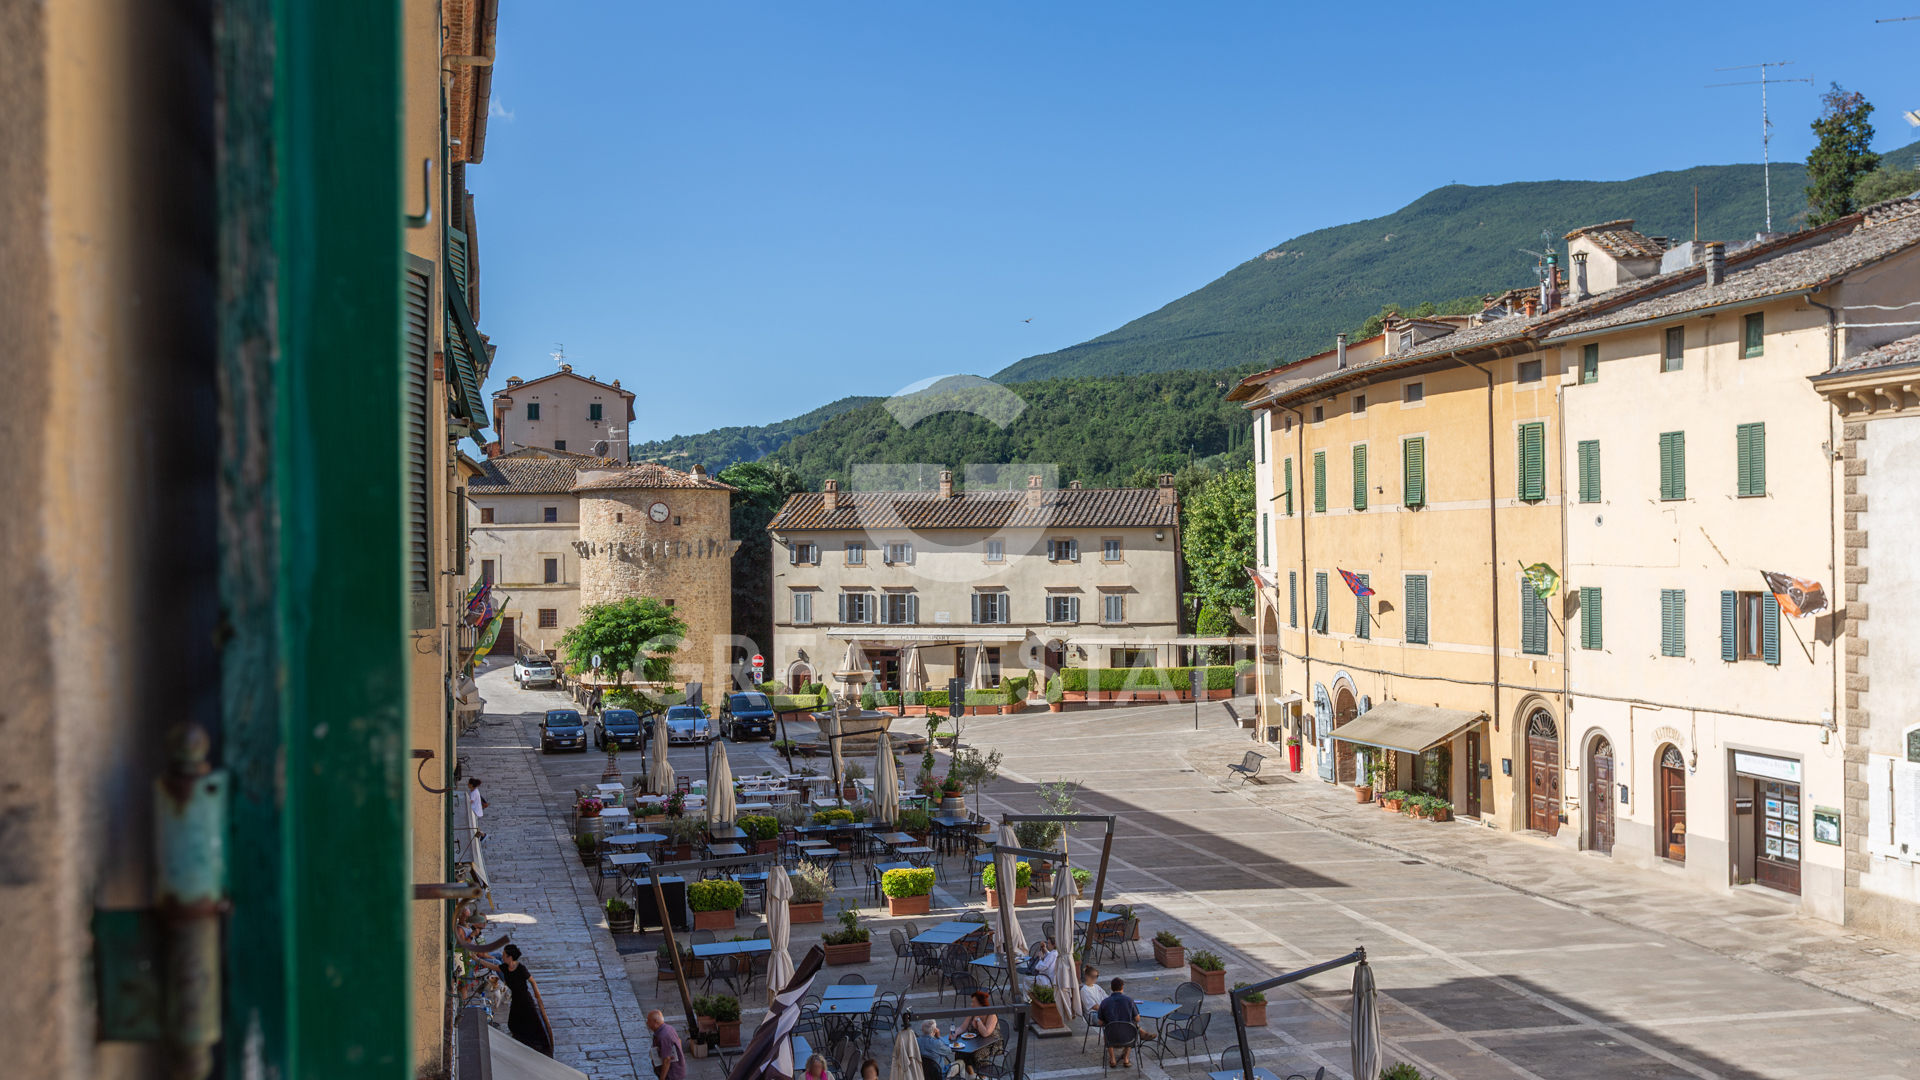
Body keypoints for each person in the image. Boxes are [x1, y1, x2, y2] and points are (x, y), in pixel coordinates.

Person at [472, 944, 551, 1056]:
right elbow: (492, 966)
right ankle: (522, 1041)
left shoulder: (521, 968)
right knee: (513, 1023)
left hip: (525, 999)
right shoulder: (505, 967)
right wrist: (478, 960)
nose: (502, 956)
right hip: (516, 999)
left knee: (534, 1023)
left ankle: (540, 1047)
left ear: (509, 957)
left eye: (504, 955)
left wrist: (537, 994)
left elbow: (532, 981)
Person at [951, 992, 1000, 1075]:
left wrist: (978, 1020)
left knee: (976, 1055)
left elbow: (985, 1033)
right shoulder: (972, 1013)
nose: (971, 1004)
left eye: (974, 1002)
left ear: (980, 1003)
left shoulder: (991, 1015)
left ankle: (983, 1076)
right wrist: (955, 1033)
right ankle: (971, 1075)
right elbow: (963, 1027)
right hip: (975, 1043)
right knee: (960, 1053)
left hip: (990, 1043)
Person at [1096, 978, 1141, 1068]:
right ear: (1122, 987)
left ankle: (1112, 1059)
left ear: (1111, 988)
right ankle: (1126, 1059)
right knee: (1131, 1027)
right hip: (1128, 1037)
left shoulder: (1105, 1002)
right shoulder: (1129, 1000)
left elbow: (1100, 1022)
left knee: (1106, 1031)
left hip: (1111, 1036)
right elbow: (1137, 1018)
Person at [647, 1009, 687, 1080]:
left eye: (648, 1020)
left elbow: (667, 1060)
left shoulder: (663, 1036)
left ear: (655, 1022)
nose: (647, 1023)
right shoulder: (669, 1028)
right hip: (676, 1071)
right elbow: (679, 1041)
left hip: (672, 1074)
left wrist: (662, 1078)